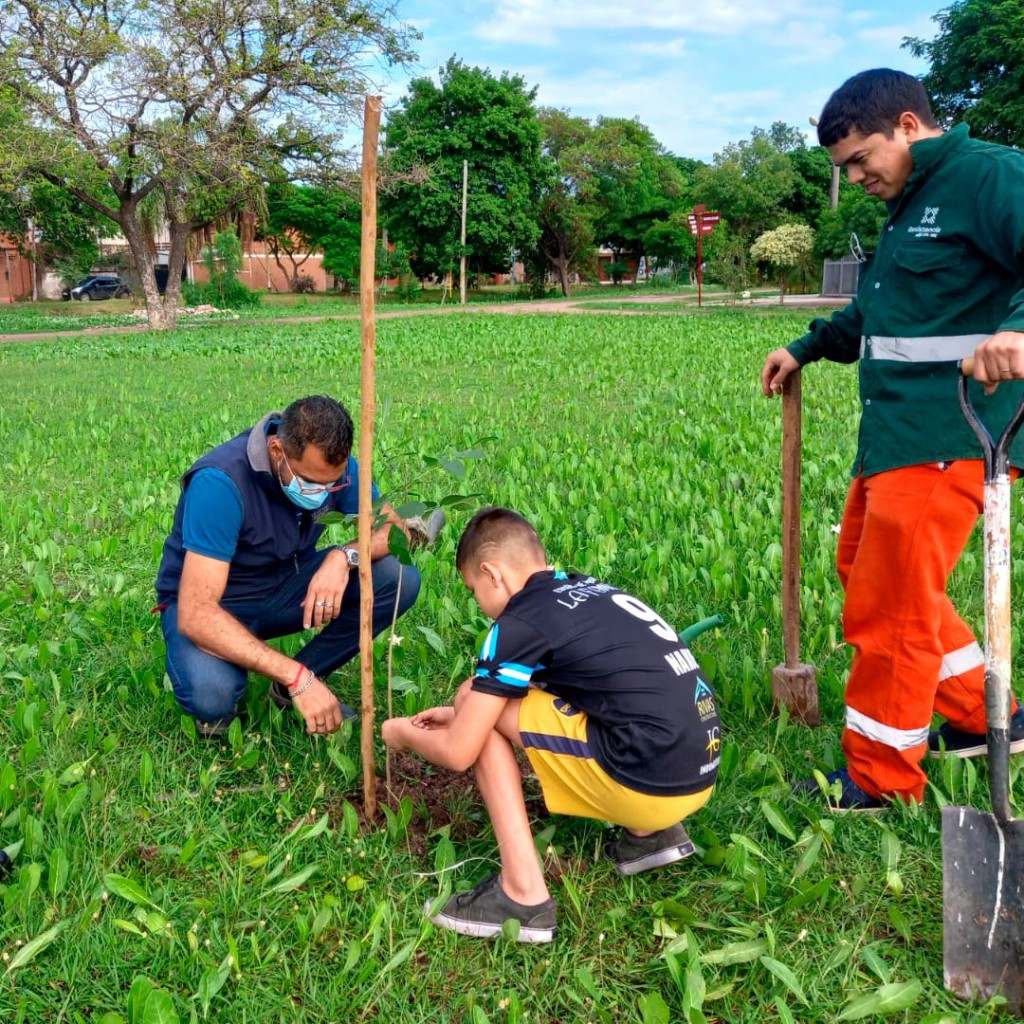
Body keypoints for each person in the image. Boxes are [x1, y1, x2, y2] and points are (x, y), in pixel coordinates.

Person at [760, 69, 1024, 811]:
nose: (854, 176)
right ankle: (984, 715)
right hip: (896, 433)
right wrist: (807, 347)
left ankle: (880, 779)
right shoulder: (907, 203)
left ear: (908, 125)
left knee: (892, 607)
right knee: (864, 569)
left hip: (955, 430)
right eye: (843, 166)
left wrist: (1018, 330)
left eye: (860, 158)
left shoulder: (989, 176)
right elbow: (883, 309)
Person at [382, 507, 719, 943]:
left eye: (472, 590)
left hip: (647, 779)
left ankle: (522, 896)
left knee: (471, 696)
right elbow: (584, 684)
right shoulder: (586, 590)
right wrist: (461, 718)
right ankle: (651, 836)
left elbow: (459, 751)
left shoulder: (518, 622)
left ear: (492, 573)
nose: (478, 604)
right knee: (478, 708)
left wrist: (402, 734)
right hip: (697, 773)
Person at [155, 395, 423, 738]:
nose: (324, 492)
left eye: (333, 484)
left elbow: (395, 531)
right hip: (215, 605)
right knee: (212, 695)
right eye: (312, 483)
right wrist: (295, 674)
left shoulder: (334, 469)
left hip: (283, 587)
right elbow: (196, 614)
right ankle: (292, 680)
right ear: (278, 451)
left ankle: (289, 688)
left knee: (396, 577)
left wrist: (344, 556)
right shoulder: (220, 483)